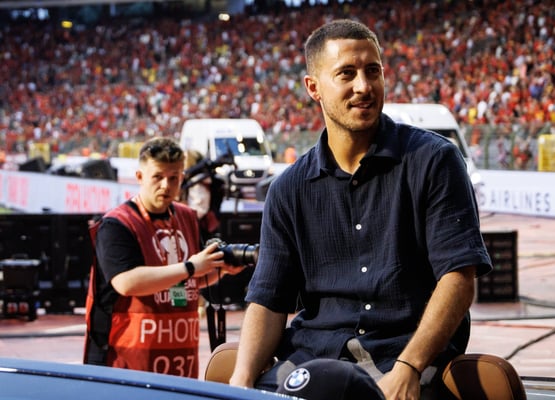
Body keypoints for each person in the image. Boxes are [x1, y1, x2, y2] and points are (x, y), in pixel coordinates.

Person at [229, 19, 492, 400]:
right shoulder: (288, 189)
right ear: (313, 88)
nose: (364, 86)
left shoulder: (434, 161)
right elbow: (269, 299)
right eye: (347, 74)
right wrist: (241, 384)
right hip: (312, 360)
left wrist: (409, 368)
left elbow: (458, 277)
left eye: (373, 71)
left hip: (404, 360)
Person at [83, 137, 243, 378]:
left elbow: (186, 282)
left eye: (174, 178)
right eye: (157, 177)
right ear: (140, 177)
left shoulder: (187, 217)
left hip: (180, 364)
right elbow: (126, 282)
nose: (166, 185)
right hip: (124, 364)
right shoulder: (117, 223)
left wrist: (217, 270)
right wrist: (191, 267)